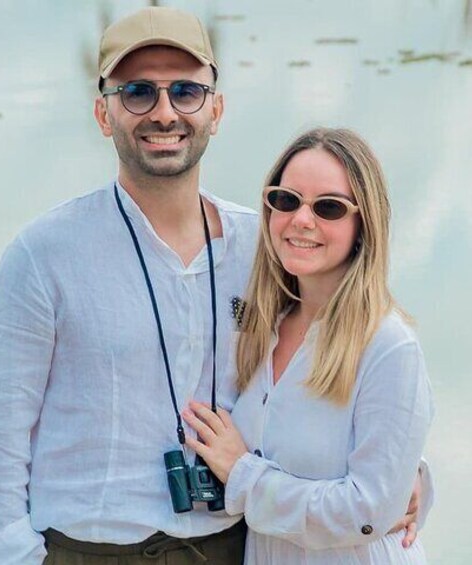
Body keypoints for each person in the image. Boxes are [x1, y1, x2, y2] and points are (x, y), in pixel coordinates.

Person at [0, 7, 432, 565]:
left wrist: (407, 477)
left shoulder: (267, 246)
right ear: (103, 113)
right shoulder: (42, 256)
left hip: (233, 546)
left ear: (216, 109)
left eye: (186, 91)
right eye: (137, 92)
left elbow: (356, 363)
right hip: (89, 551)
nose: (164, 113)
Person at [182, 128, 434, 564]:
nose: (302, 219)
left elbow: (368, 511)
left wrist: (243, 475)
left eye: (329, 207)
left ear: (363, 224)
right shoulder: (262, 327)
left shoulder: (389, 346)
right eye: (286, 200)